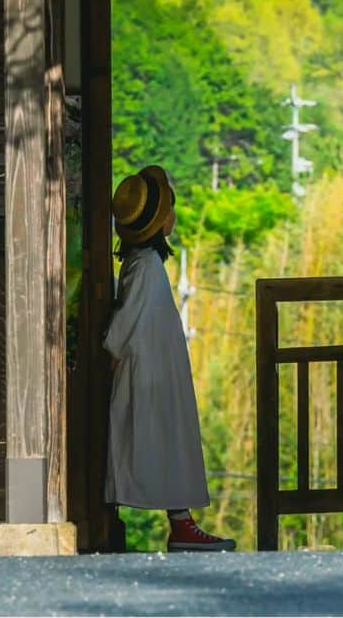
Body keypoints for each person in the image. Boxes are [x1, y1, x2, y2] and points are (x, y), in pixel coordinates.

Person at [104, 163, 236, 552]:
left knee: (160, 442)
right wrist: (112, 352)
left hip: (153, 369)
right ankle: (181, 523)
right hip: (149, 373)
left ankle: (182, 522)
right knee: (160, 441)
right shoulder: (146, 267)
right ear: (162, 222)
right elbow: (126, 326)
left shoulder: (142, 264)